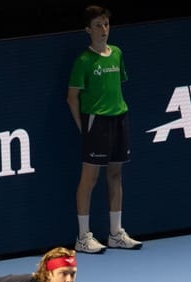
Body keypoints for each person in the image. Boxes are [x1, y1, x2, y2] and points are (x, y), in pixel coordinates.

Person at [67, 5, 142, 254]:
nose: (103, 29)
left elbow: (117, 86)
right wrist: (84, 128)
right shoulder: (83, 61)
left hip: (119, 118)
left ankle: (115, 234)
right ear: (88, 30)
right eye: (98, 25)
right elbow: (72, 97)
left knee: (116, 175)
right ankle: (82, 237)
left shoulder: (117, 54)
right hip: (95, 122)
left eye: (106, 24)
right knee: (90, 179)